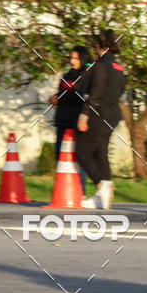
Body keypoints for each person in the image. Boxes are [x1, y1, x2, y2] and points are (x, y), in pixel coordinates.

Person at [77, 29, 126, 210]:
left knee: (81, 151)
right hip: (113, 115)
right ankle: (102, 198)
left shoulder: (99, 65)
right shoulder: (119, 67)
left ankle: (102, 186)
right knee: (101, 152)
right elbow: (121, 89)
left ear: (98, 46)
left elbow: (95, 91)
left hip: (98, 113)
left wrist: (85, 113)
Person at [49, 46, 92, 194]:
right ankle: (63, 192)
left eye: (75, 58)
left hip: (76, 122)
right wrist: (55, 97)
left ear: (82, 59)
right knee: (60, 157)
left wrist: (61, 98)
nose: (72, 61)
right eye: (71, 57)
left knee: (77, 159)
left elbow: (81, 97)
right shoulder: (67, 75)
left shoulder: (87, 76)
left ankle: (81, 192)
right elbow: (62, 92)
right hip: (62, 121)